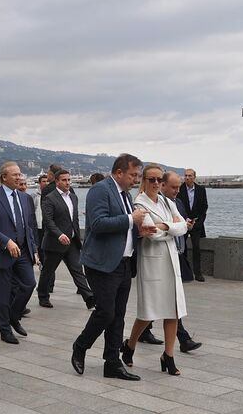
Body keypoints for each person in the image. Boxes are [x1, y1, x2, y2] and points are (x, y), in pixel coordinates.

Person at [72, 153, 152, 381]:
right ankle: (80, 346)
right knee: (105, 312)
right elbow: (97, 224)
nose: (136, 180)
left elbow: (126, 226)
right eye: (133, 175)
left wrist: (140, 231)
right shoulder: (101, 190)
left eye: (138, 175)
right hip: (102, 264)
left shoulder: (125, 194)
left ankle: (112, 363)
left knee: (118, 315)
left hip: (124, 262)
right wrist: (131, 219)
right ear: (119, 173)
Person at [119, 165, 188, 376]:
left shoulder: (168, 201)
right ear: (144, 181)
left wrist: (166, 226)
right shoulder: (139, 202)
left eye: (159, 179)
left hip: (171, 260)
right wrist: (171, 227)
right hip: (152, 262)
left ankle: (168, 356)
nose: (156, 183)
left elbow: (183, 226)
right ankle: (130, 345)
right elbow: (151, 233)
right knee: (148, 312)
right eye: (151, 179)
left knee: (173, 310)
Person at [0, 161, 38, 345]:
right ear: (4, 177)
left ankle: (14, 316)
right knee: (3, 295)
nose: (19, 177)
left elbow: (28, 226)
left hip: (23, 251)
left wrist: (34, 249)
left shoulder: (24, 198)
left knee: (29, 284)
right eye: (15, 175)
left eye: (20, 174)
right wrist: (6, 242)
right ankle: (5, 330)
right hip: (2, 252)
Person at [38, 169, 94, 309]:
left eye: (69, 180)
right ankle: (43, 296)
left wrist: (76, 236)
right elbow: (48, 221)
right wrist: (59, 234)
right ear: (57, 182)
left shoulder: (73, 197)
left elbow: (73, 219)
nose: (68, 182)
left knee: (77, 270)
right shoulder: (49, 198)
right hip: (54, 243)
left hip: (72, 242)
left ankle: (89, 298)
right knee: (48, 272)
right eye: (64, 180)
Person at [160, 171, 202, 353]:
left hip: (177, 253)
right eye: (174, 187)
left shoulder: (178, 203)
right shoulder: (157, 205)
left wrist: (187, 225)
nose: (178, 190)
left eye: (179, 187)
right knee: (171, 300)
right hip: (161, 259)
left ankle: (139, 335)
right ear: (162, 185)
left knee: (162, 301)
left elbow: (181, 225)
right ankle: (183, 339)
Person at [177, 169, 208, 282]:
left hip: (196, 224)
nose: (187, 178)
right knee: (181, 247)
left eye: (190, 176)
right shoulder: (179, 189)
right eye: (185, 176)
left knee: (196, 248)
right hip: (183, 222)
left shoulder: (201, 190)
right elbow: (177, 206)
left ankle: (198, 273)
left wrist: (198, 222)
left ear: (194, 177)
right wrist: (184, 220)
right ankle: (184, 271)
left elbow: (204, 207)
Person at [32, 174, 48, 266]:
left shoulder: (50, 194)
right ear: (39, 183)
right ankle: (42, 262)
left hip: (47, 225)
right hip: (38, 225)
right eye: (43, 181)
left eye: (47, 181)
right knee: (39, 246)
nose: (46, 183)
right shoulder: (34, 196)